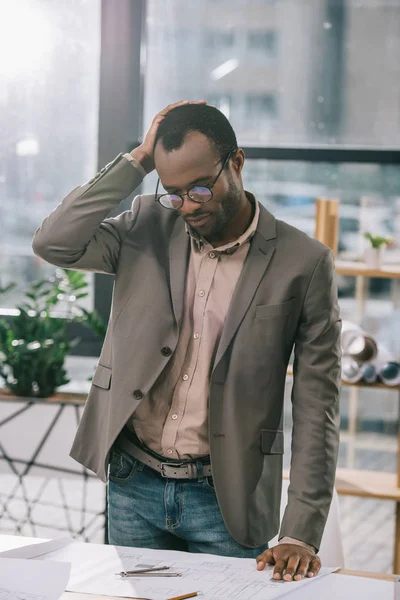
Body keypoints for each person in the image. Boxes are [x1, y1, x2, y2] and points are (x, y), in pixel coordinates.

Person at [32, 100, 341, 582]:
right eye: (174, 193)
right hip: (133, 484)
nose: (188, 206)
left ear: (236, 163)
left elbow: (316, 403)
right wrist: (137, 159)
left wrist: (300, 529)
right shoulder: (146, 223)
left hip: (226, 496)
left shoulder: (304, 262)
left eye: (200, 188)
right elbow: (55, 242)